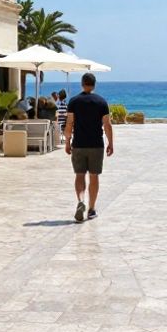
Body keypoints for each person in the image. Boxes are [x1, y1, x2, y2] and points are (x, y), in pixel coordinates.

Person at [65, 73, 114, 222]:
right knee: (94, 176)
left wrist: (67, 142)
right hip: (96, 145)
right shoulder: (101, 102)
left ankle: (81, 201)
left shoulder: (74, 101)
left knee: (79, 175)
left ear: (82, 83)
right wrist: (110, 143)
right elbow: (107, 125)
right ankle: (91, 209)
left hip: (79, 144)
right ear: (94, 84)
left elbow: (69, 124)